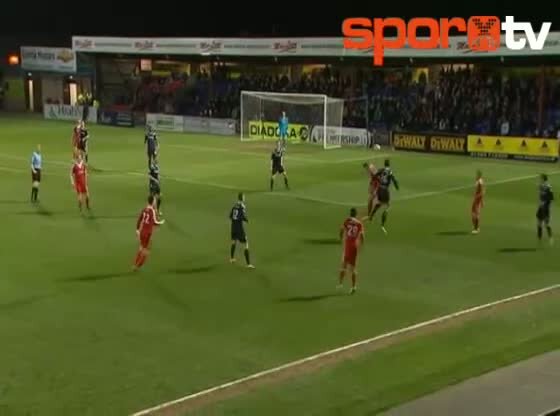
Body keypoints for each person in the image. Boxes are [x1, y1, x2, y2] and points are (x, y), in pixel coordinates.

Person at [134, 195, 165, 271]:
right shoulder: (152, 211)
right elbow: (155, 222)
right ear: (153, 202)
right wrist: (161, 222)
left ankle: (135, 264)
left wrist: (137, 230)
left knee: (141, 248)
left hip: (142, 231)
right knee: (146, 250)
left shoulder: (144, 209)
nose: (155, 202)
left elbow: (139, 219)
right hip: (148, 233)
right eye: (154, 200)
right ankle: (138, 266)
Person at [368, 159, 399, 234]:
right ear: (389, 164)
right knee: (387, 206)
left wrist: (372, 182)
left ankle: (371, 215)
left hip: (380, 188)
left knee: (380, 203)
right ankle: (382, 224)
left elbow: (375, 175)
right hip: (385, 189)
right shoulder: (390, 171)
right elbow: (393, 179)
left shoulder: (381, 170)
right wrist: (396, 186)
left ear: (384, 164)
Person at [339, 207, 364, 294]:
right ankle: (353, 287)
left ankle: (340, 283)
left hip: (347, 246)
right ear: (356, 214)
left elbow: (341, 230)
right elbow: (362, 236)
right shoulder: (359, 224)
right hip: (354, 246)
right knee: (353, 268)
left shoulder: (347, 221)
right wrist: (361, 245)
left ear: (350, 213)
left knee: (344, 264)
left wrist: (341, 238)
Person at [229, 192, 254, 268]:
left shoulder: (234, 205)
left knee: (234, 241)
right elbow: (242, 216)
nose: (244, 198)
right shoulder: (242, 206)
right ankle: (248, 264)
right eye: (244, 196)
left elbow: (230, 216)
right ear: (242, 198)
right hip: (239, 228)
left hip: (233, 227)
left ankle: (232, 258)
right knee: (246, 243)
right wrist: (246, 220)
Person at [537, 173, 554, 245]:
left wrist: (546, 205)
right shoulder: (541, 186)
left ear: (543, 179)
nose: (540, 179)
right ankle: (539, 238)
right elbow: (540, 196)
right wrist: (540, 203)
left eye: (541, 178)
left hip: (546, 207)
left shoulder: (548, 186)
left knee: (546, 224)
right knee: (539, 222)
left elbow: (551, 198)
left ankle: (550, 237)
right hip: (541, 207)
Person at [471, 170, 485, 234]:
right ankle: (476, 227)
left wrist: (481, 201)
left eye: (477, 175)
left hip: (477, 199)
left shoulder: (480, 181)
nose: (475, 176)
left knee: (475, 213)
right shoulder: (478, 181)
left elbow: (482, 192)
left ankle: (476, 229)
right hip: (476, 198)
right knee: (473, 213)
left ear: (479, 175)